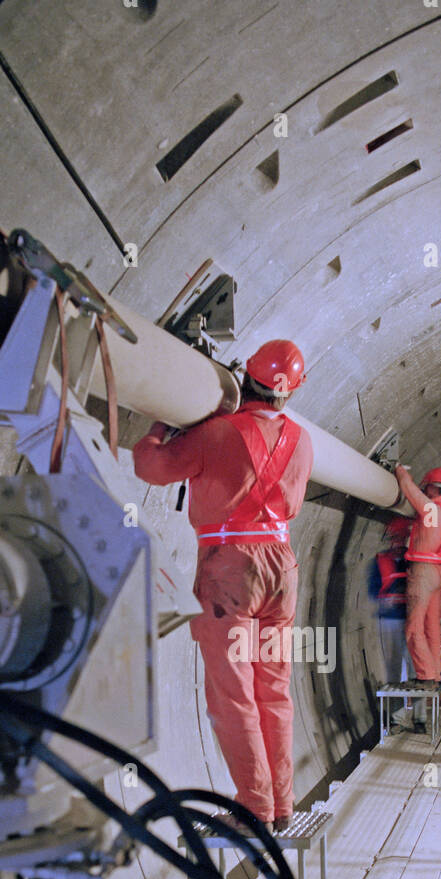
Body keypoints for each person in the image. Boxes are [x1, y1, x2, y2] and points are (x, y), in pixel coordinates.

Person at [133, 339, 312, 833]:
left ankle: (253, 808)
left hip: (231, 567)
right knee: (273, 690)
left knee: (233, 694)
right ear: (292, 390)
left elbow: (150, 466)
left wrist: (159, 429)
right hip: (282, 567)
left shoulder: (216, 433)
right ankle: (280, 804)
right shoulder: (304, 441)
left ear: (246, 375)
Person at [394, 463, 441, 693]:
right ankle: (435, 674)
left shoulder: (429, 509)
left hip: (422, 571)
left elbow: (409, 489)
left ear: (432, 488)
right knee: (431, 626)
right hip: (439, 572)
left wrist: (400, 471)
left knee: (413, 626)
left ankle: (425, 674)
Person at [369, 516, 410, 685]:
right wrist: (384, 599)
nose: (397, 543)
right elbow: (373, 589)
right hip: (390, 619)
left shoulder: (413, 559)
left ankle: (418, 710)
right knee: (392, 663)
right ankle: (395, 709)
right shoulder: (381, 561)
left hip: (411, 618)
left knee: (415, 663)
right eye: (395, 538)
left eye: (400, 538)